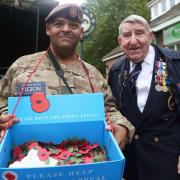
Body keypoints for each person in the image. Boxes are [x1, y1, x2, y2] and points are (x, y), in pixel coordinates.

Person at [0, 4, 135, 148]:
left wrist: (122, 126)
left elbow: (108, 109)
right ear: (48, 29)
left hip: (82, 160)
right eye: (59, 24)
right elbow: (2, 103)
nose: (66, 29)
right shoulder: (21, 67)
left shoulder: (93, 74)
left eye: (73, 25)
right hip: (28, 161)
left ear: (81, 32)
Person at [108, 14, 180, 180]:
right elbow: (112, 110)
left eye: (139, 33)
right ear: (120, 41)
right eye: (127, 35)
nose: (133, 41)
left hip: (167, 160)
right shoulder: (116, 70)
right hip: (130, 164)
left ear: (150, 36)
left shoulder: (174, 63)